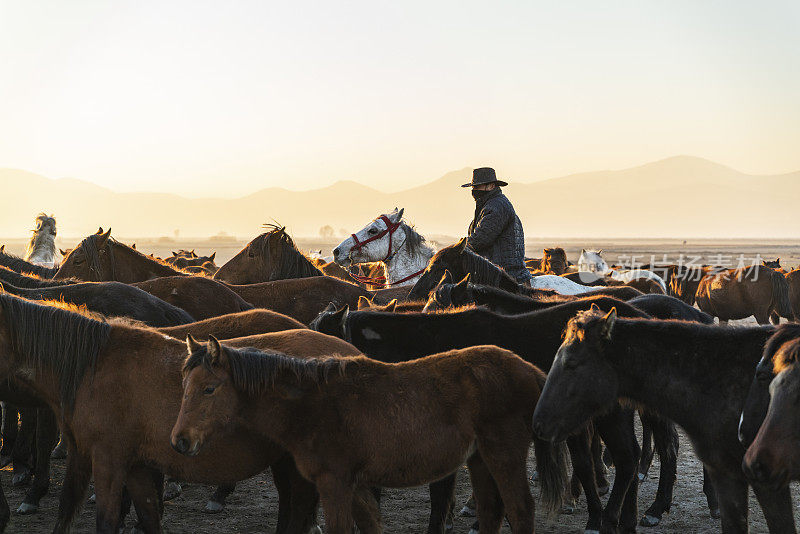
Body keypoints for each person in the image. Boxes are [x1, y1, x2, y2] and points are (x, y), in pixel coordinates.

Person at [462, 167, 531, 284]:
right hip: (503, 272)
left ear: (491, 186)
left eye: (477, 186)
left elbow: (481, 239)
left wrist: (458, 249)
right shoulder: (492, 204)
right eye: (473, 187)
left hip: (506, 276)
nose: (474, 190)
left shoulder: (496, 207)